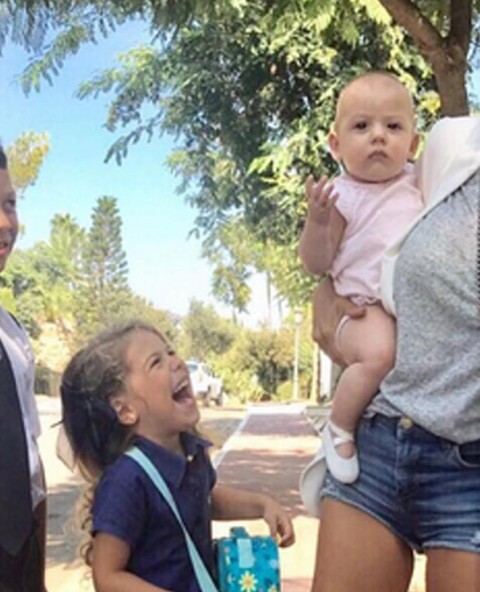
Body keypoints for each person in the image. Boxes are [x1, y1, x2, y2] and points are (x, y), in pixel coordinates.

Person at [301, 115, 480, 592]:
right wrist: (328, 290)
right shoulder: (456, 143)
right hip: (379, 440)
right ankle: (339, 429)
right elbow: (376, 242)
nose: (379, 135)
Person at [59, 320, 295, 592]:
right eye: (156, 362)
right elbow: (107, 576)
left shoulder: (191, 453)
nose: (177, 362)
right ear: (125, 410)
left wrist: (262, 505)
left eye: (170, 352)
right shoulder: (127, 480)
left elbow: (205, 499)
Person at [298, 72, 423, 483]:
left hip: (406, 305)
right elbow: (317, 263)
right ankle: (339, 426)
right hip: (362, 308)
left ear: (413, 144)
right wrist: (317, 223)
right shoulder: (341, 196)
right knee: (380, 354)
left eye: (393, 126)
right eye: (362, 126)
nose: (378, 136)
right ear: (336, 145)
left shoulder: (418, 182)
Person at [0, 146, 47, 591]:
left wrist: (38, 578)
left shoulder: (13, 336)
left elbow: (31, 467)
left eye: (9, 203)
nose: (5, 222)